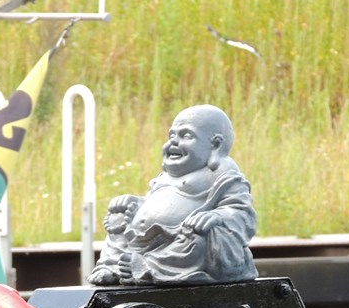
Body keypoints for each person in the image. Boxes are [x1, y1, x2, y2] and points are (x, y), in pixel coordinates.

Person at [88, 105, 258, 286]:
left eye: (186, 136)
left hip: (184, 241)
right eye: (172, 136)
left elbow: (242, 213)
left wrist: (217, 216)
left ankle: (147, 267)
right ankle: (112, 265)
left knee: (204, 237)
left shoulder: (223, 176)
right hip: (147, 238)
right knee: (118, 219)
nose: (174, 142)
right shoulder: (166, 177)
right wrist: (135, 204)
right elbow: (156, 204)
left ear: (215, 145)